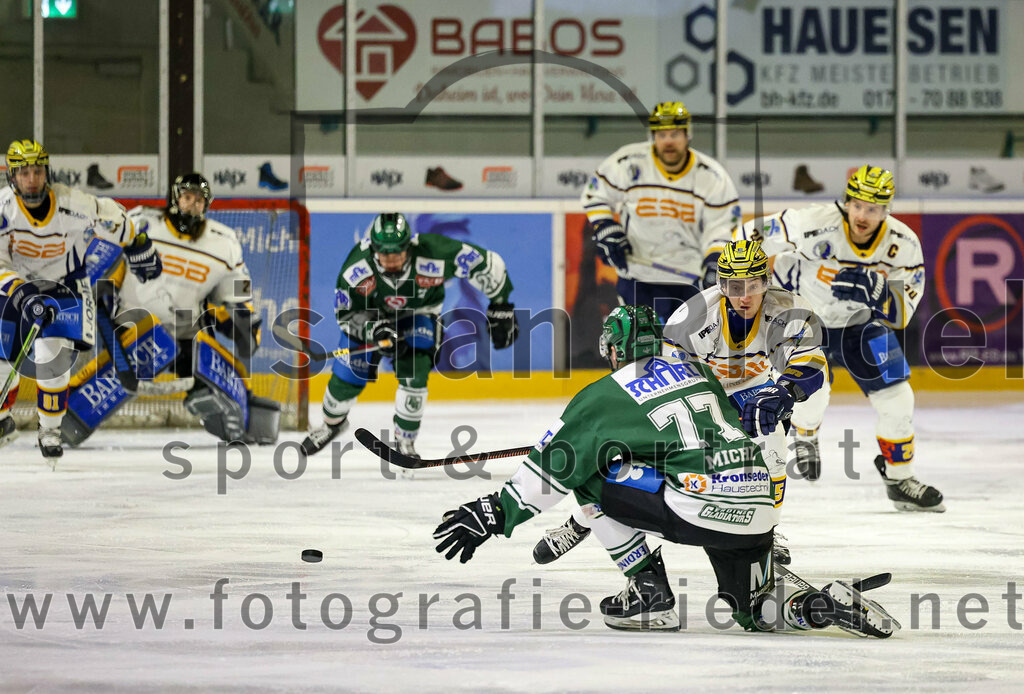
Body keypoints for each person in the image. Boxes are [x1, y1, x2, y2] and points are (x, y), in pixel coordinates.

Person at [431, 305, 897, 637]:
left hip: (699, 506)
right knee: (756, 611)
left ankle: (649, 594)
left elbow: (560, 464)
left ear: (615, 350)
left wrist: (494, 512)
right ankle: (816, 608)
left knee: (592, 472)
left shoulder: (607, 394)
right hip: (760, 509)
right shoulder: (701, 372)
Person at [531, 240, 829, 566]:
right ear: (721, 284)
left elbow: (812, 365)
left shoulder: (790, 310)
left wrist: (783, 392)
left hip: (752, 388)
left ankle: (767, 529)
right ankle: (579, 521)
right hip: (696, 391)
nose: (744, 296)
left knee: (770, 445)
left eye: (753, 285)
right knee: (650, 462)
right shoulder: (695, 318)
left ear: (766, 281)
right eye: (733, 285)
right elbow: (665, 378)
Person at [736, 165, 944, 512]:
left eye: (873, 208)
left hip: (862, 324)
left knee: (898, 398)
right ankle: (806, 432)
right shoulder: (811, 221)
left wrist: (877, 290)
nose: (863, 215)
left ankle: (899, 478)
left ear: (887, 209)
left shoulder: (903, 244)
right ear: (847, 202)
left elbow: (902, 314)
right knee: (810, 397)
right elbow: (748, 233)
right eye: (857, 205)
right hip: (804, 320)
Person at [301, 212, 518, 458]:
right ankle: (332, 424)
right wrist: (376, 330)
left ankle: (405, 442)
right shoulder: (356, 270)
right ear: (372, 248)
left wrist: (501, 306)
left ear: (409, 246)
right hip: (372, 318)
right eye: (384, 253)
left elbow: (488, 263)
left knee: (415, 372)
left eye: (397, 252)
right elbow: (347, 314)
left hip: (418, 315)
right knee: (346, 380)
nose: (391, 259)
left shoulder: (434, 251)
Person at [0, 139, 161, 461]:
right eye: (24, 173)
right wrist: (21, 291)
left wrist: (138, 244)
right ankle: (4, 418)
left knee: (53, 359)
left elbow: (114, 217)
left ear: (47, 172)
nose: (31, 179)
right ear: (12, 177)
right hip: (17, 286)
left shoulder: (73, 204)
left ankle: (49, 430)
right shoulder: (3, 209)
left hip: (64, 285)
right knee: (3, 359)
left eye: (37, 171)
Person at [112, 173, 274, 444]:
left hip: (184, 338)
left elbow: (237, 292)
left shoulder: (224, 242)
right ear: (175, 198)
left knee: (232, 373)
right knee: (101, 385)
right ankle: (65, 418)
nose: (193, 205)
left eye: (199, 200)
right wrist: (102, 299)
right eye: (188, 198)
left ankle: (241, 421)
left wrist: (245, 321)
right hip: (132, 334)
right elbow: (107, 262)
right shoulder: (140, 222)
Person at [581, 101, 741, 323]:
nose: (668, 141)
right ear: (653, 136)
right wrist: (605, 226)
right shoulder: (628, 162)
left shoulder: (712, 177)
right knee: (638, 350)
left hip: (688, 279)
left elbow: (721, 226)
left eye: (675, 134)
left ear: (687, 135)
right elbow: (595, 194)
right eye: (661, 134)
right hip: (636, 276)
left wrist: (714, 260)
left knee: (692, 351)